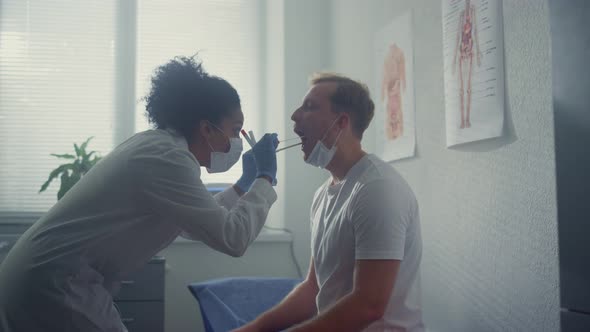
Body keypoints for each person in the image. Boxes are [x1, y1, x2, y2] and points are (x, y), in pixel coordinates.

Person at [0, 55, 279, 332]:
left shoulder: (160, 147)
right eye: (234, 131)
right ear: (206, 128)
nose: (237, 142)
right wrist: (265, 177)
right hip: (56, 284)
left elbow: (193, 226)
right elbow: (233, 238)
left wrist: (243, 185)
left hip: (46, 278)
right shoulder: (169, 159)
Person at [233, 73, 424, 332]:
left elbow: (369, 305)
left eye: (309, 107)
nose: (295, 116)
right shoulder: (324, 194)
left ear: (341, 122)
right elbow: (314, 288)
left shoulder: (377, 189)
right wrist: (253, 329)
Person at [452, 0, 482, 129]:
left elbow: (475, 33)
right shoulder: (461, 14)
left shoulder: (473, 11)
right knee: (461, 90)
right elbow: (458, 36)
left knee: (468, 89)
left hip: (469, 54)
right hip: (461, 55)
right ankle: (462, 121)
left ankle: (467, 120)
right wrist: (454, 59)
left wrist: (478, 51)